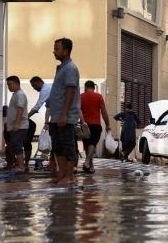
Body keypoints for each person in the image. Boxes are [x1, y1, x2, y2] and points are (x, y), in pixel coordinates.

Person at [46, 37, 81, 186]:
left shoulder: (70, 68)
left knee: (68, 146)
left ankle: (70, 176)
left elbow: (70, 91)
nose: (54, 52)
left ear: (66, 51)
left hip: (64, 116)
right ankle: (61, 174)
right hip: (56, 116)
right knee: (58, 147)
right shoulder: (62, 68)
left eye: (57, 49)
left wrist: (64, 114)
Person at [79, 80, 112, 173]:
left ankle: (90, 166)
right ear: (93, 88)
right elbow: (104, 111)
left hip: (84, 124)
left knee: (87, 145)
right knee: (92, 144)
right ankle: (87, 162)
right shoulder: (99, 96)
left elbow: (78, 110)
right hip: (95, 124)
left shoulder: (81, 96)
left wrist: (81, 121)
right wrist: (108, 124)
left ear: (85, 87)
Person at [5, 76, 30, 173]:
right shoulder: (15, 94)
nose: (9, 87)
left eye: (10, 84)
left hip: (20, 126)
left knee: (17, 145)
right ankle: (19, 165)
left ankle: (21, 167)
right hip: (15, 126)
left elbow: (20, 109)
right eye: (8, 85)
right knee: (15, 145)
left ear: (16, 83)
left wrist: (17, 124)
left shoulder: (20, 94)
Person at [27, 75, 52, 171]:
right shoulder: (49, 88)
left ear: (39, 82)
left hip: (61, 115)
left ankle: (56, 164)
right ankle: (52, 162)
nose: (34, 88)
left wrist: (26, 117)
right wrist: (46, 122)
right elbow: (48, 107)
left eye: (34, 86)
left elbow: (37, 106)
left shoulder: (45, 90)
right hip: (56, 115)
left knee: (56, 142)